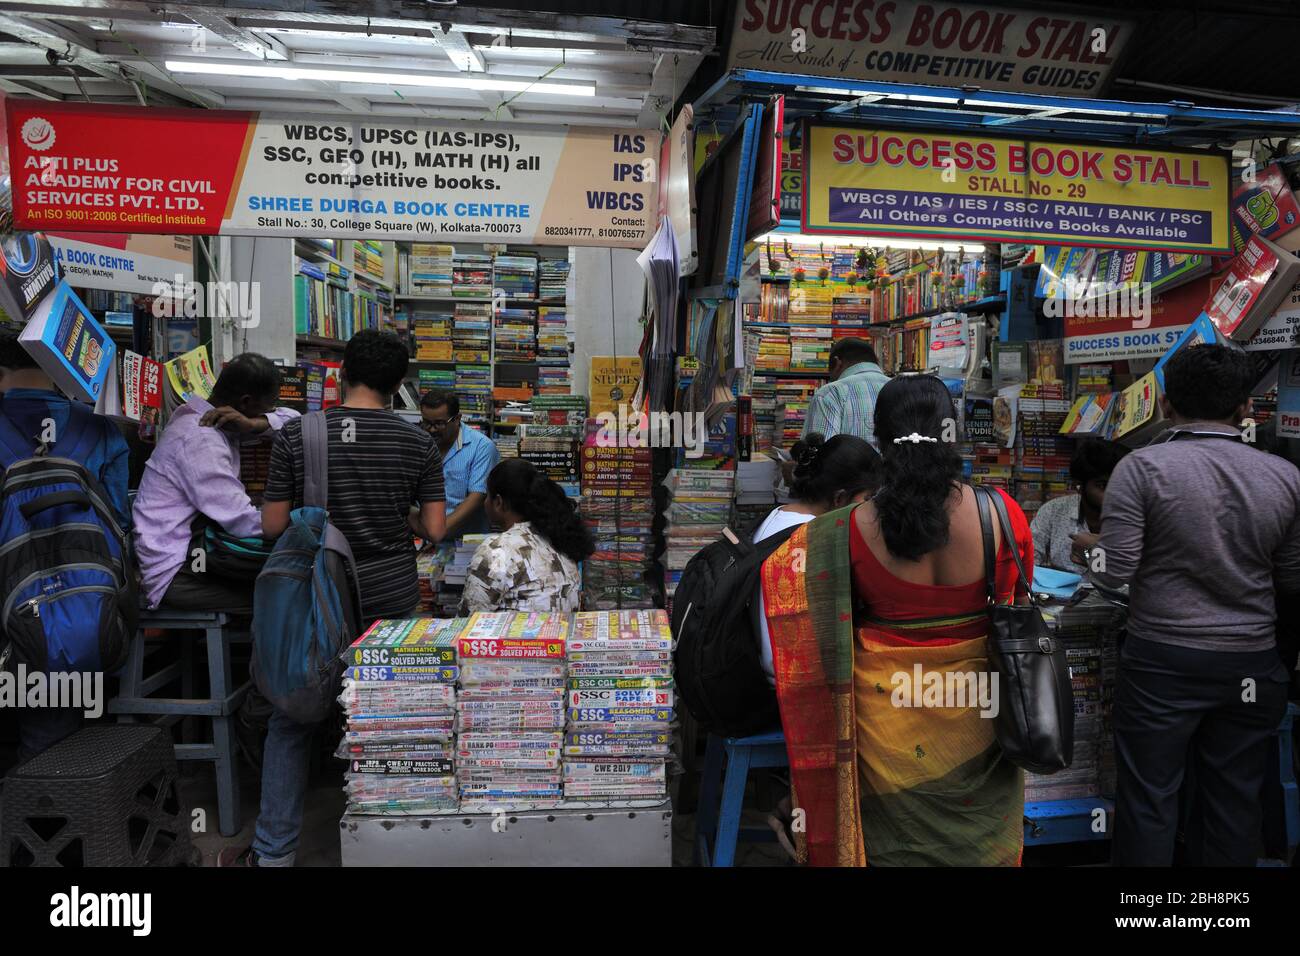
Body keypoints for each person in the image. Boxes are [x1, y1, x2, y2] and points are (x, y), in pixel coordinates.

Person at [760, 375, 1034, 866]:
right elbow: (1017, 602)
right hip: (983, 717)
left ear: (878, 436)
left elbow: (793, 592)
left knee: (891, 848)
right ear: (951, 431)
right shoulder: (1004, 514)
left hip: (883, 726)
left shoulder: (842, 530)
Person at [222, 330, 446, 868]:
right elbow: (435, 530)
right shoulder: (418, 443)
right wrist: (402, 515)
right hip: (389, 593)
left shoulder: (299, 435)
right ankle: (391, 846)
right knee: (388, 715)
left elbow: (273, 525)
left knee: (291, 718)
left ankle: (273, 853)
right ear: (399, 387)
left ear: (341, 374)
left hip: (316, 601)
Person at [1092, 344, 1299, 867]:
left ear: (1164, 404)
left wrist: (1090, 550)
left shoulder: (1141, 469)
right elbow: (1292, 578)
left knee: (1149, 799)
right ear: (1246, 409)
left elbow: (1115, 571)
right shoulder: (1284, 477)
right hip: (1251, 664)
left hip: (1163, 660)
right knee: (1233, 801)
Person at [0, 334, 131, 761]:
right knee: (61, 719)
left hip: (10, 603)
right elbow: (120, 521)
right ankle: (59, 802)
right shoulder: (100, 429)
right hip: (83, 610)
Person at [133, 352, 298, 613]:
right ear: (245, 401)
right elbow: (241, 521)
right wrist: (297, 525)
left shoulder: (218, 422)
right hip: (178, 573)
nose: (271, 410)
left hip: (195, 552)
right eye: (267, 406)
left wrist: (255, 423)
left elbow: (294, 422)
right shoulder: (201, 439)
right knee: (288, 591)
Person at [752, 432, 881, 685]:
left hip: (767, 675)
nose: (869, 510)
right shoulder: (815, 539)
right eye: (866, 500)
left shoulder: (777, 517)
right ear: (839, 498)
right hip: (792, 689)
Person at [459, 458, 591, 613]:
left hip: (518, 637)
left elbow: (468, 621)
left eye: (488, 496)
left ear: (499, 502)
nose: (485, 502)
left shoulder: (496, 550)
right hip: (558, 633)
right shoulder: (559, 537)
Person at [1028, 437, 1129, 572]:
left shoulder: (1135, 517)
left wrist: (1094, 552)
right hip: (1062, 592)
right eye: (1103, 486)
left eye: (1120, 484)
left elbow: (1132, 577)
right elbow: (1027, 563)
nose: (1114, 493)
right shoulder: (1053, 511)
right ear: (1080, 485)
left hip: (1114, 592)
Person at [420, 390, 499, 539]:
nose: (431, 429)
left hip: (465, 541)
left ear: (457, 418)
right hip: (423, 536)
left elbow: (476, 497)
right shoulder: (419, 442)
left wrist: (439, 530)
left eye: (439, 423)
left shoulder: (482, 447)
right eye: (426, 423)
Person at [801, 337, 890, 445]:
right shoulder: (903, 389)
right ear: (877, 360)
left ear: (837, 363)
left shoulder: (830, 393)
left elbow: (818, 453)